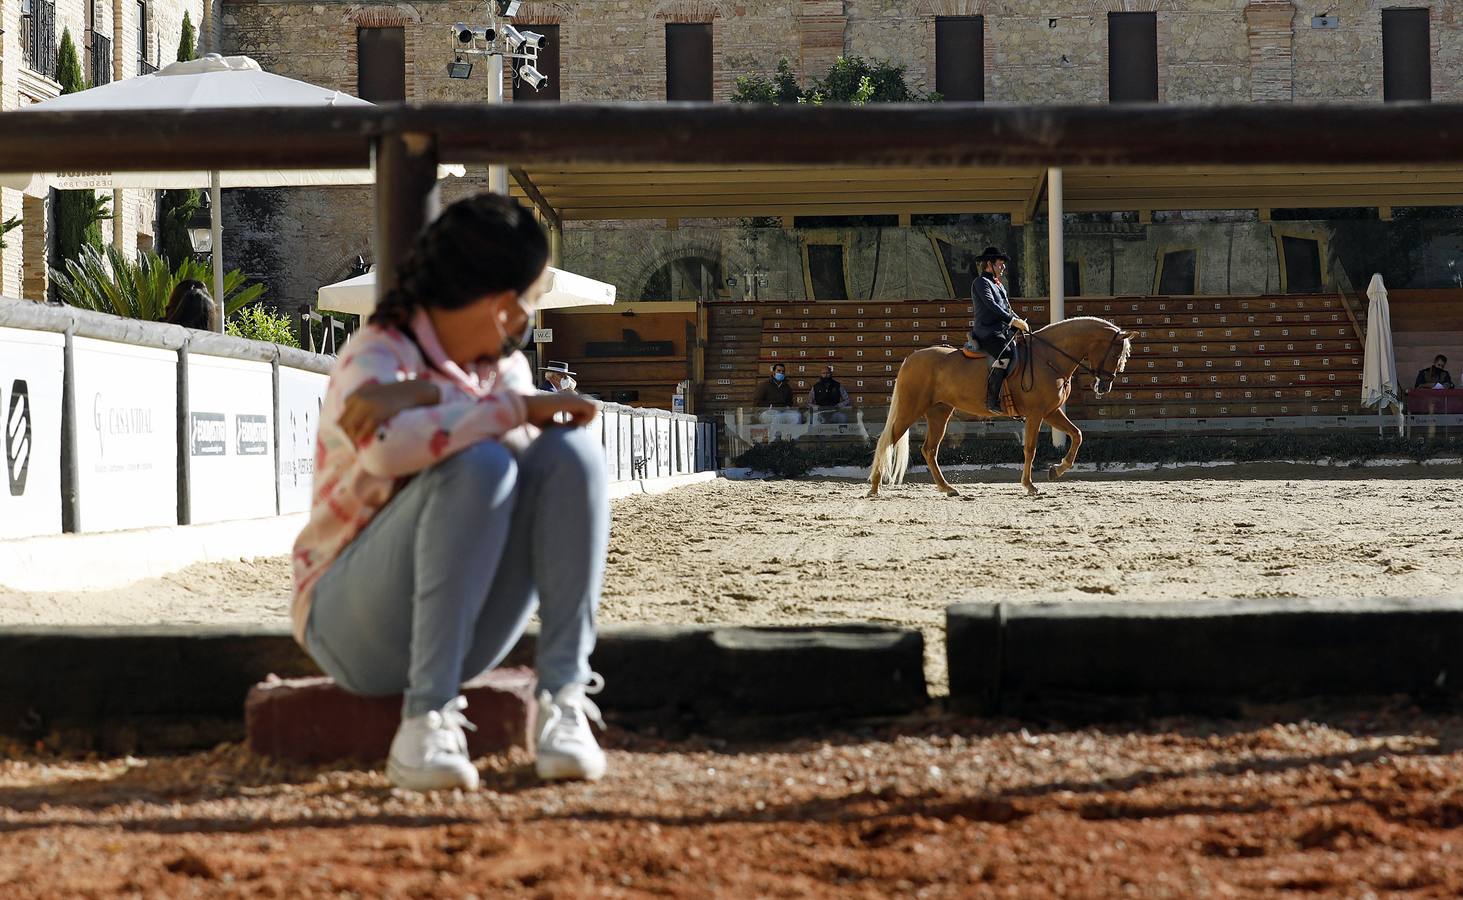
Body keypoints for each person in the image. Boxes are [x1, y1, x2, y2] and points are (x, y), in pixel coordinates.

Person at [291, 194, 609, 793]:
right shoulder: (377, 353)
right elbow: (391, 446)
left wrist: (432, 396)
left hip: (464, 626)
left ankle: (563, 701)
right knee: (479, 463)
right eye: (531, 301)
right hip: (350, 621)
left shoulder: (502, 370)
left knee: (573, 454)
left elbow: (525, 458)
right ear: (502, 305)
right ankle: (424, 722)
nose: (528, 320)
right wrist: (503, 409)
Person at [965, 246, 1030, 415]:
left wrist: (1019, 320)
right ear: (989, 264)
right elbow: (992, 306)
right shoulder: (980, 283)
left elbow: (1006, 309)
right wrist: (1012, 321)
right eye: (1000, 264)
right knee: (1006, 353)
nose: (1003, 267)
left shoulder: (999, 285)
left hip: (1001, 331)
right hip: (987, 332)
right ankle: (992, 399)